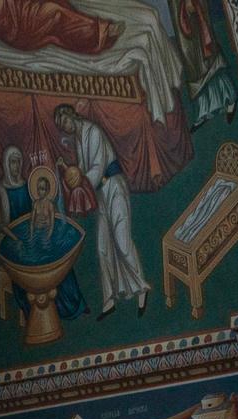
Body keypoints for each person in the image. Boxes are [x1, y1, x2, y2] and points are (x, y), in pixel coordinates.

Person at [54, 103, 151, 317]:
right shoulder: (80, 140)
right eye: (62, 126)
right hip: (101, 193)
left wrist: (80, 180)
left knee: (122, 241)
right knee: (102, 247)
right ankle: (109, 300)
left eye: (65, 122)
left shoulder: (93, 131)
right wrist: (72, 174)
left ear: (71, 116)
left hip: (114, 187)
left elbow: (97, 167)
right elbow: (82, 169)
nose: (65, 128)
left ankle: (141, 288)